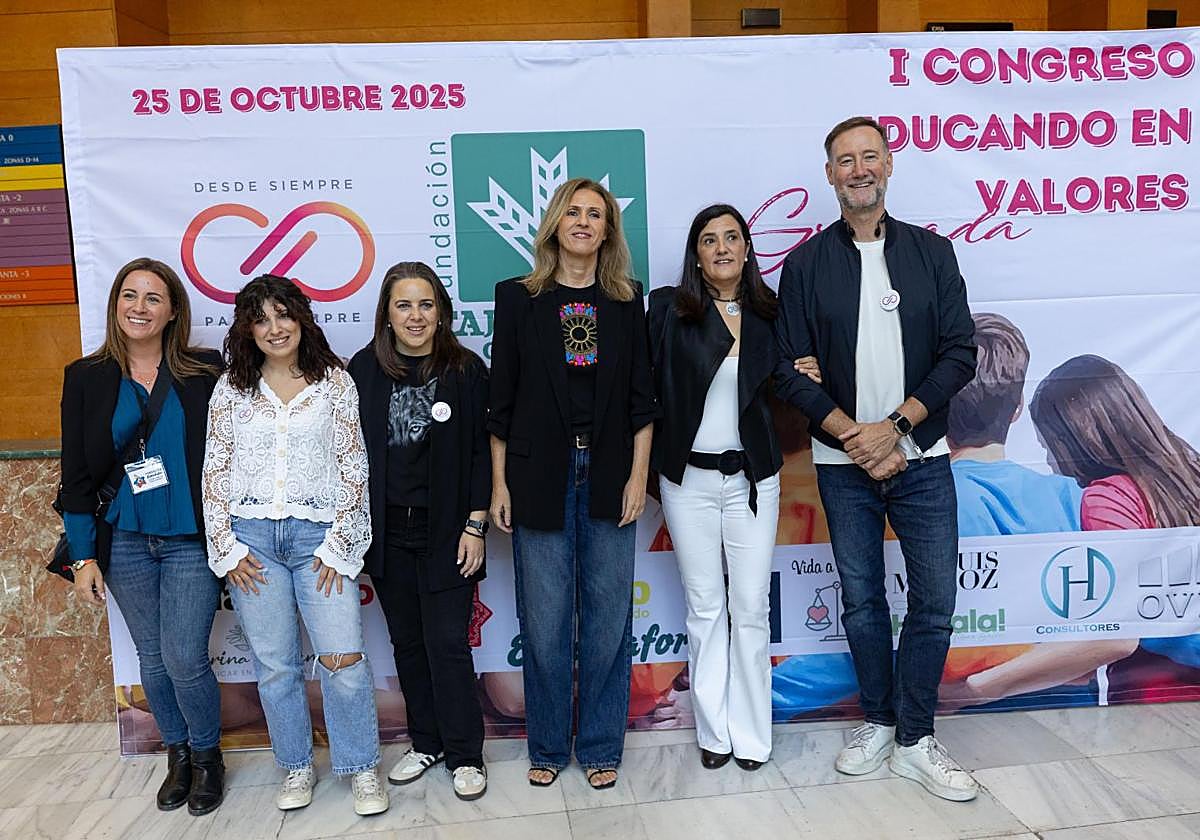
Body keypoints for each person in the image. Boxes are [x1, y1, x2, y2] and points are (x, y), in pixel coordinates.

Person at [773, 116, 979, 802]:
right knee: (861, 603)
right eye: (844, 160)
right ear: (829, 174)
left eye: (869, 156)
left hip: (923, 454)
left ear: (888, 165)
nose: (858, 169)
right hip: (842, 465)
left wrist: (894, 429)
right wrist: (855, 440)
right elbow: (790, 371)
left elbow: (960, 354)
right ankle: (881, 720)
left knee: (936, 602)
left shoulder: (934, 253)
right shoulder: (804, 265)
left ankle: (916, 736)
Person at [488, 177, 656, 789]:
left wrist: (638, 476)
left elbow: (643, 401)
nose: (584, 221)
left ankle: (602, 744)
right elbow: (499, 403)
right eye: (573, 212)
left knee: (610, 618)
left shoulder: (625, 300)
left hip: (610, 474)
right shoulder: (517, 298)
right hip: (538, 477)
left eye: (596, 214)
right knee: (546, 620)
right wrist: (500, 485)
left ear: (608, 230)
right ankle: (549, 745)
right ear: (555, 224)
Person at [201, 274, 387, 816]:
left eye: (283, 314)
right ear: (248, 329)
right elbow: (215, 470)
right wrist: (227, 547)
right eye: (261, 318)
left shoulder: (335, 382)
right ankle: (297, 765)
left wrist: (339, 545)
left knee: (343, 657)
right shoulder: (231, 389)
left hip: (319, 539)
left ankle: (359, 765)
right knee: (276, 666)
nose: (275, 328)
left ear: (301, 317)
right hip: (251, 540)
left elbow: (355, 468)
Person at [60, 257, 225, 816]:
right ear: (114, 306)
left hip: (190, 538)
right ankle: (177, 754)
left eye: (153, 298)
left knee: (184, 656)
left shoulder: (204, 371)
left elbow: (228, 456)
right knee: (152, 659)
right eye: (129, 296)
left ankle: (208, 757)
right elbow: (76, 475)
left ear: (173, 310)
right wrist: (83, 557)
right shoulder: (86, 377)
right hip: (124, 539)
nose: (139, 307)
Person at [348, 260, 490, 801]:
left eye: (426, 304)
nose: (415, 315)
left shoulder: (466, 370)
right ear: (387, 312)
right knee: (407, 643)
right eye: (403, 304)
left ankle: (465, 753)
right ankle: (425, 742)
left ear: (442, 312)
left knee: (448, 643)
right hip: (386, 534)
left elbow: (482, 453)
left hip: (448, 533)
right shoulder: (364, 369)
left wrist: (475, 524)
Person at [648, 204, 781, 770]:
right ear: (696, 256)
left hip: (754, 480)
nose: (722, 247)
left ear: (748, 249)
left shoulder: (772, 314)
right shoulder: (667, 311)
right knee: (705, 608)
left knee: (750, 607)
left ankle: (753, 735)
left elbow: (795, 377)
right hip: (688, 482)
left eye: (732, 237)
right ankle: (713, 733)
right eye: (709, 239)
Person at [1031, 353, 1200, 671]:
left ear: (1076, 441)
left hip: (1151, 698)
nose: (1050, 462)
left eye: (1048, 446)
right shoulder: (1193, 469)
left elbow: (1128, 614)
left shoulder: (1106, 500)